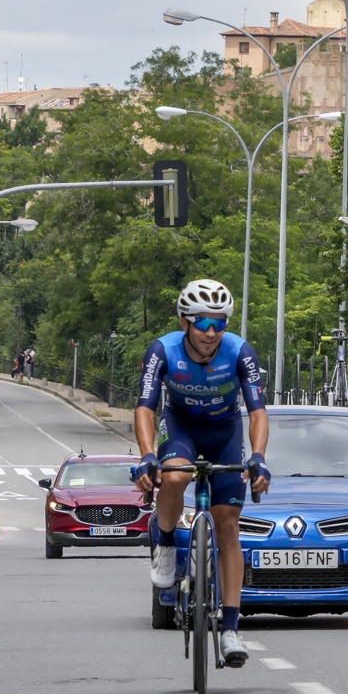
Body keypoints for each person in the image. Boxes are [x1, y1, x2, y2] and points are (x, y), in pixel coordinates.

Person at [133, 279, 271, 668]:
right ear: (184, 321)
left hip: (224, 431)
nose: (211, 333)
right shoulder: (163, 350)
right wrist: (147, 456)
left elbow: (257, 411)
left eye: (220, 323)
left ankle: (229, 628)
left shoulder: (240, 351)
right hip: (180, 428)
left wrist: (258, 455)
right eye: (202, 323)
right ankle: (164, 543)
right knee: (175, 477)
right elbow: (145, 407)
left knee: (228, 527)